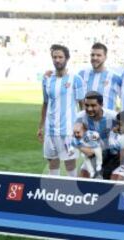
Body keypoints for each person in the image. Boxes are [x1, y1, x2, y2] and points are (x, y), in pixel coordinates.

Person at [37, 44, 84, 177]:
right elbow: (45, 103)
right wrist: (40, 126)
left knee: (70, 164)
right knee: (52, 163)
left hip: (68, 131)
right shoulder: (47, 79)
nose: (57, 60)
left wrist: (83, 126)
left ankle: (72, 193)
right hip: (50, 131)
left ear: (67, 58)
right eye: (55, 57)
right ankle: (54, 191)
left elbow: (82, 106)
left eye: (60, 57)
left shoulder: (76, 79)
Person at [75, 91, 117, 180]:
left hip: (113, 155)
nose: (89, 109)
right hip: (94, 155)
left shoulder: (113, 116)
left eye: (93, 105)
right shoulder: (80, 117)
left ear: (101, 104)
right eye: (87, 105)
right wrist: (83, 148)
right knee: (83, 176)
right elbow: (71, 138)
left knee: (113, 178)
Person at [78, 42, 121, 110]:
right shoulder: (82, 75)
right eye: (92, 55)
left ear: (105, 57)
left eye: (98, 55)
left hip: (107, 120)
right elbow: (78, 99)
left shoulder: (115, 77)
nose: (95, 58)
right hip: (86, 119)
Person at [109, 111, 124, 181]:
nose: (118, 127)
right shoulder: (118, 135)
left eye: (120, 124)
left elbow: (121, 156)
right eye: (117, 124)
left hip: (121, 166)